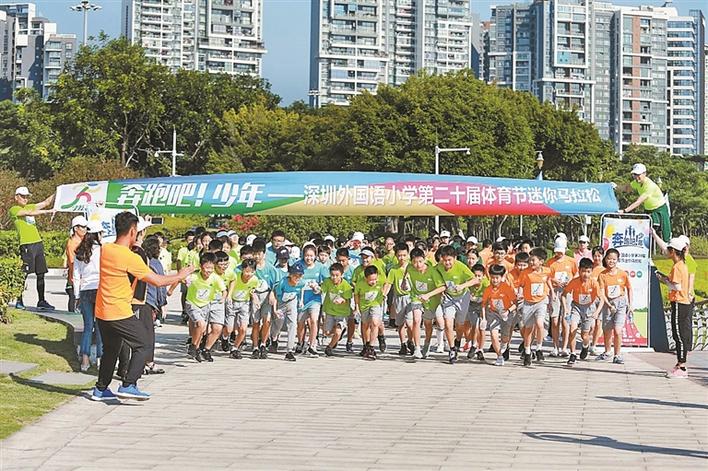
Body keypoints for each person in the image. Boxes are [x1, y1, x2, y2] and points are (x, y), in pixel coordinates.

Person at [92, 212, 193, 401]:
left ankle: (101, 389)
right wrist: (180, 275)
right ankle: (129, 384)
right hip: (119, 311)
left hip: (102, 310)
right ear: (133, 230)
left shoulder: (106, 249)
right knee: (144, 343)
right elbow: (157, 281)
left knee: (111, 349)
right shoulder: (130, 258)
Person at [9, 186, 55, 310]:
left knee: (41, 273)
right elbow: (29, 213)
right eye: (23, 196)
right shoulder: (14, 209)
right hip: (26, 244)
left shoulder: (30, 206)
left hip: (37, 243)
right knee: (24, 273)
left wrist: (58, 191)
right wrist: (48, 211)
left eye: (27, 197)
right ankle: (19, 300)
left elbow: (46, 202)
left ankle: (41, 300)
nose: (25, 199)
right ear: (16, 197)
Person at [177, 252, 226, 363]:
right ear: (200, 266)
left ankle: (198, 348)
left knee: (203, 329)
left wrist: (223, 298)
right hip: (192, 304)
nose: (209, 271)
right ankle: (193, 346)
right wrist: (170, 291)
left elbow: (224, 290)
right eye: (206, 268)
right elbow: (179, 278)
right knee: (201, 324)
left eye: (211, 268)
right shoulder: (194, 276)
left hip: (205, 305)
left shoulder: (215, 278)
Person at [656, 238, 693, 379]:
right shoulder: (682, 264)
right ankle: (679, 364)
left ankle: (681, 366)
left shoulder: (677, 267)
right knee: (680, 334)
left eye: (668, 250)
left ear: (673, 251)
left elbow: (676, 286)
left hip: (679, 302)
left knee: (678, 335)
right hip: (683, 302)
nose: (666, 252)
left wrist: (663, 280)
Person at [436, 245, 478, 364]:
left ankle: (458, 340)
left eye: (449, 260)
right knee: (448, 323)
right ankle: (452, 349)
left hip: (462, 298)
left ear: (455, 258)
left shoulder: (461, 266)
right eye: (445, 260)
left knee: (460, 325)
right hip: (449, 298)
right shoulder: (438, 267)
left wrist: (462, 286)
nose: (447, 263)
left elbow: (475, 280)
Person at [403, 248, 446, 359]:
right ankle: (417, 348)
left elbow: (442, 287)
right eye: (415, 262)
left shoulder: (432, 271)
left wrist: (428, 295)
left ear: (424, 259)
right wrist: (404, 282)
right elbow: (406, 274)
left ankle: (427, 344)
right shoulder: (410, 267)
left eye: (420, 261)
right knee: (416, 320)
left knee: (428, 324)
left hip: (431, 300)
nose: (418, 265)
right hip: (416, 297)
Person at [73, 221, 104, 372]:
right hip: (99, 289)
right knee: (100, 326)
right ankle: (100, 358)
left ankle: (85, 360)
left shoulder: (80, 251)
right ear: (97, 234)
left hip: (85, 290)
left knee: (87, 326)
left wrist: (76, 295)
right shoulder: (102, 250)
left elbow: (76, 276)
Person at [562, 258, 602, 365]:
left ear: (591, 272)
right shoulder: (574, 282)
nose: (585, 274)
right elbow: (564, 295)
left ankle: (585, 346)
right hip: (576, 307)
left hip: (589, 308)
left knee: (585, 335)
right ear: (579, 270)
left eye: (588, 271)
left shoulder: (594, 283)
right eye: (583, 271)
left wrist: (597, 312)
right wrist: (566, 308)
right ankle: (573, 354)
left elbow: (602, 299)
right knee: (572, 330)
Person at [517, 248, 554, 367]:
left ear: (541, 261)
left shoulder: (547, 271)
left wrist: (552, 292)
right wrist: (519, 293)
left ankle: (539, 348)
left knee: (539, 323)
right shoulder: (525, 273)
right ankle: (527, 352)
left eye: (533, 260)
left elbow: (548, 280)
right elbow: (521, 285)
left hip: (541, 301)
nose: (531, 262)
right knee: (528, 329)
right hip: (528, 303)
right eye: (530, 260)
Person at [596, 248, 632, 365]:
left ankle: (617, 355)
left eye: (614, 259)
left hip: (621, 303)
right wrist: (608, 304)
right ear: (605, 259)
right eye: (609, 259)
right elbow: (601, 292)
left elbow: (629, 288)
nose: (611, 261)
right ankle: (607, 351)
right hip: (608, 304)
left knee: (617, 330)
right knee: (607, 330)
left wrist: (630, 304)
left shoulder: (623, 274)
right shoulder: (602, 275)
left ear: (617, 260)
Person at [620, 163, 671, 242]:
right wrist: (615, 187)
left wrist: (624, 211)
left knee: (665, 236)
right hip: (648, 210)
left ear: (644, 174)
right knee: (648, 234)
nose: (636, 177)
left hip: (660, 210)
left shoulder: (649, 185)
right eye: (634, 175)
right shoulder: (636, 182)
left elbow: (638, 202)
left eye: (638, 174)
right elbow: (627, 188)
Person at [481, 264, 517, 366]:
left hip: (506, 313)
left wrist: (508, 311)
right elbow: (483, 304)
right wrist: (484, 318)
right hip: (493, 313)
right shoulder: (488, 289)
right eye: (492, 278)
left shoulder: (506, 288)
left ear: (502, 277)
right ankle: (499, 356)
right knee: (493, 334)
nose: (495, 280)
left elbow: (515, 304)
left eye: (497, 278)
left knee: (505, 337)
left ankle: (504, 345)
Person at [547, 238, 578, 357]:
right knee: (555, 320)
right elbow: (547, 277)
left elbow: (576, 274)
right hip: (555, 291)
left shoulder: (571, 261)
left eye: (561, 251)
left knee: (565, 320)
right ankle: (555, 347)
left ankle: (565, 347)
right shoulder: (550, 262)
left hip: (567, 292)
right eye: (557, 251)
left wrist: (570, 282)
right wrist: (555, 281)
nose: (558, 254)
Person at [224, 259, 260, 359]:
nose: (249, 274)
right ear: (242, 270)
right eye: (247, 271)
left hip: (244, 304)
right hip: (232, 302)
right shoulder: (235, 277)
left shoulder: (255, 280)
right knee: (229, 329)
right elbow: (228, 287)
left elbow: (252, 290)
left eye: (252, 271)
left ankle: (235, 348)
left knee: (243, 329)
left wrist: (255, 299)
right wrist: (228, 297)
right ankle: (225, 337)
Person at [270, 263, 306, 362]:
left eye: (300, 275)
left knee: (292, 324)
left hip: (292, 302)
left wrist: (301, 301)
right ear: (290, 275)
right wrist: (275, 310)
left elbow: (302, 289)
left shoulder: (301, 282)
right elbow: (276, 295)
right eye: (295, 275)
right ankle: (273, 336)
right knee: (279, 324)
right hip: (281, 304)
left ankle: (289, 351)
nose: (297, 278)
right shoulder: (283, 282)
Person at [143, 235, 167, 373]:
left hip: (136, 300)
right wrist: (162, 303)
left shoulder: (140, 260)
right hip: (149, 301)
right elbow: (161, 284)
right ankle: (148, 362)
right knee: (149, 333)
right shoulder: (155, 263)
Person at [385, 243, 414, 355]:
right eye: (399, 255)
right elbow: (388, 283)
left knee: (410, 323)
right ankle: (403, 344)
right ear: (396, 256)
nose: (402, 258)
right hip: (399, 298)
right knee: (400, 323)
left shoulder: (412, 267)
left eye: (404, 255)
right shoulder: (393, 270)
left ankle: (410, 341)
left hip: (410, 298)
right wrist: (384, 294)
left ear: (408, 255)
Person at [354, 265, 386, 360]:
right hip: (364, 306)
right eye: (371, 280)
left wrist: (384, 294)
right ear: (365, 278)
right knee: (365, 325)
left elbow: (387, 283)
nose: (373, 282)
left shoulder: (380, 281)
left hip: (376, 304)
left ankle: (372, 347)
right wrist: (357, 307)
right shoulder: (360, 284)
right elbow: (356, 295)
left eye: (375, 279)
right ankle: (366, 344)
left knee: (375, 323)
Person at [65, 215, 89, 312]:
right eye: (82, 227)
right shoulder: (72, 244)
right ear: (75, 228)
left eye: (86, 227)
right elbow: (72, 264)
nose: (85, 229)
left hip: (83, 280)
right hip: (75, 281)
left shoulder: (84, 241)